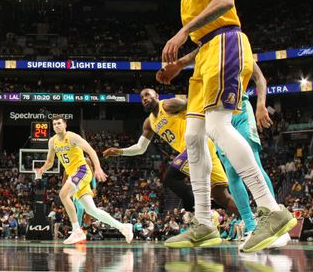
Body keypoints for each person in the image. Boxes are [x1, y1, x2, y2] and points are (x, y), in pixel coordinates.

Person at [161, 0, 295, 252]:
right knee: (193, 137)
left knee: (218, 126)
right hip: (206, 52)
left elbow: (225, 3)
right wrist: (180, 63)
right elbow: (204, 36)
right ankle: (205, 223)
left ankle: (271, 210)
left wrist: (181, 33)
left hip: (226, 44)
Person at [157, 54, 290, 249]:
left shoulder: (233, 43)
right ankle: (252, 227)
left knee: (253, 163)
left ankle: (277, 224)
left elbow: (260, 78)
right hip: (217, 115)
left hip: (240, 110)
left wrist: (261, 104)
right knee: (232, 174)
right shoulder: (207, 53)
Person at [102, 90, 240, 239]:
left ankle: (200, 215)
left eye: (148, 95)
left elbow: (194, 105)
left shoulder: (168, 105)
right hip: (198, 149)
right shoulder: (149, 123)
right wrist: (119, 151)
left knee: (170, 178)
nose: (145, 99)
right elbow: (140, 148)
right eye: (142, 98)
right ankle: (252, 221)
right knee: (222, 196)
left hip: (197, 144)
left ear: (157, 96)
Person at [34, 116, 133, 245]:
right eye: (54, 124)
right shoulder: (52, 141)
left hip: (82, 170)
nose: (56, 126)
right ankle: (124, 227)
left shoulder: (73, 137)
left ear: (65, 125)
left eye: (59, 123)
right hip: (73, 175)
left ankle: (76, 230)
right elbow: (50, 162)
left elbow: (91, 151)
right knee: (92, 211)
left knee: (63, 194)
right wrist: (42, 169)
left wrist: (97, 168)